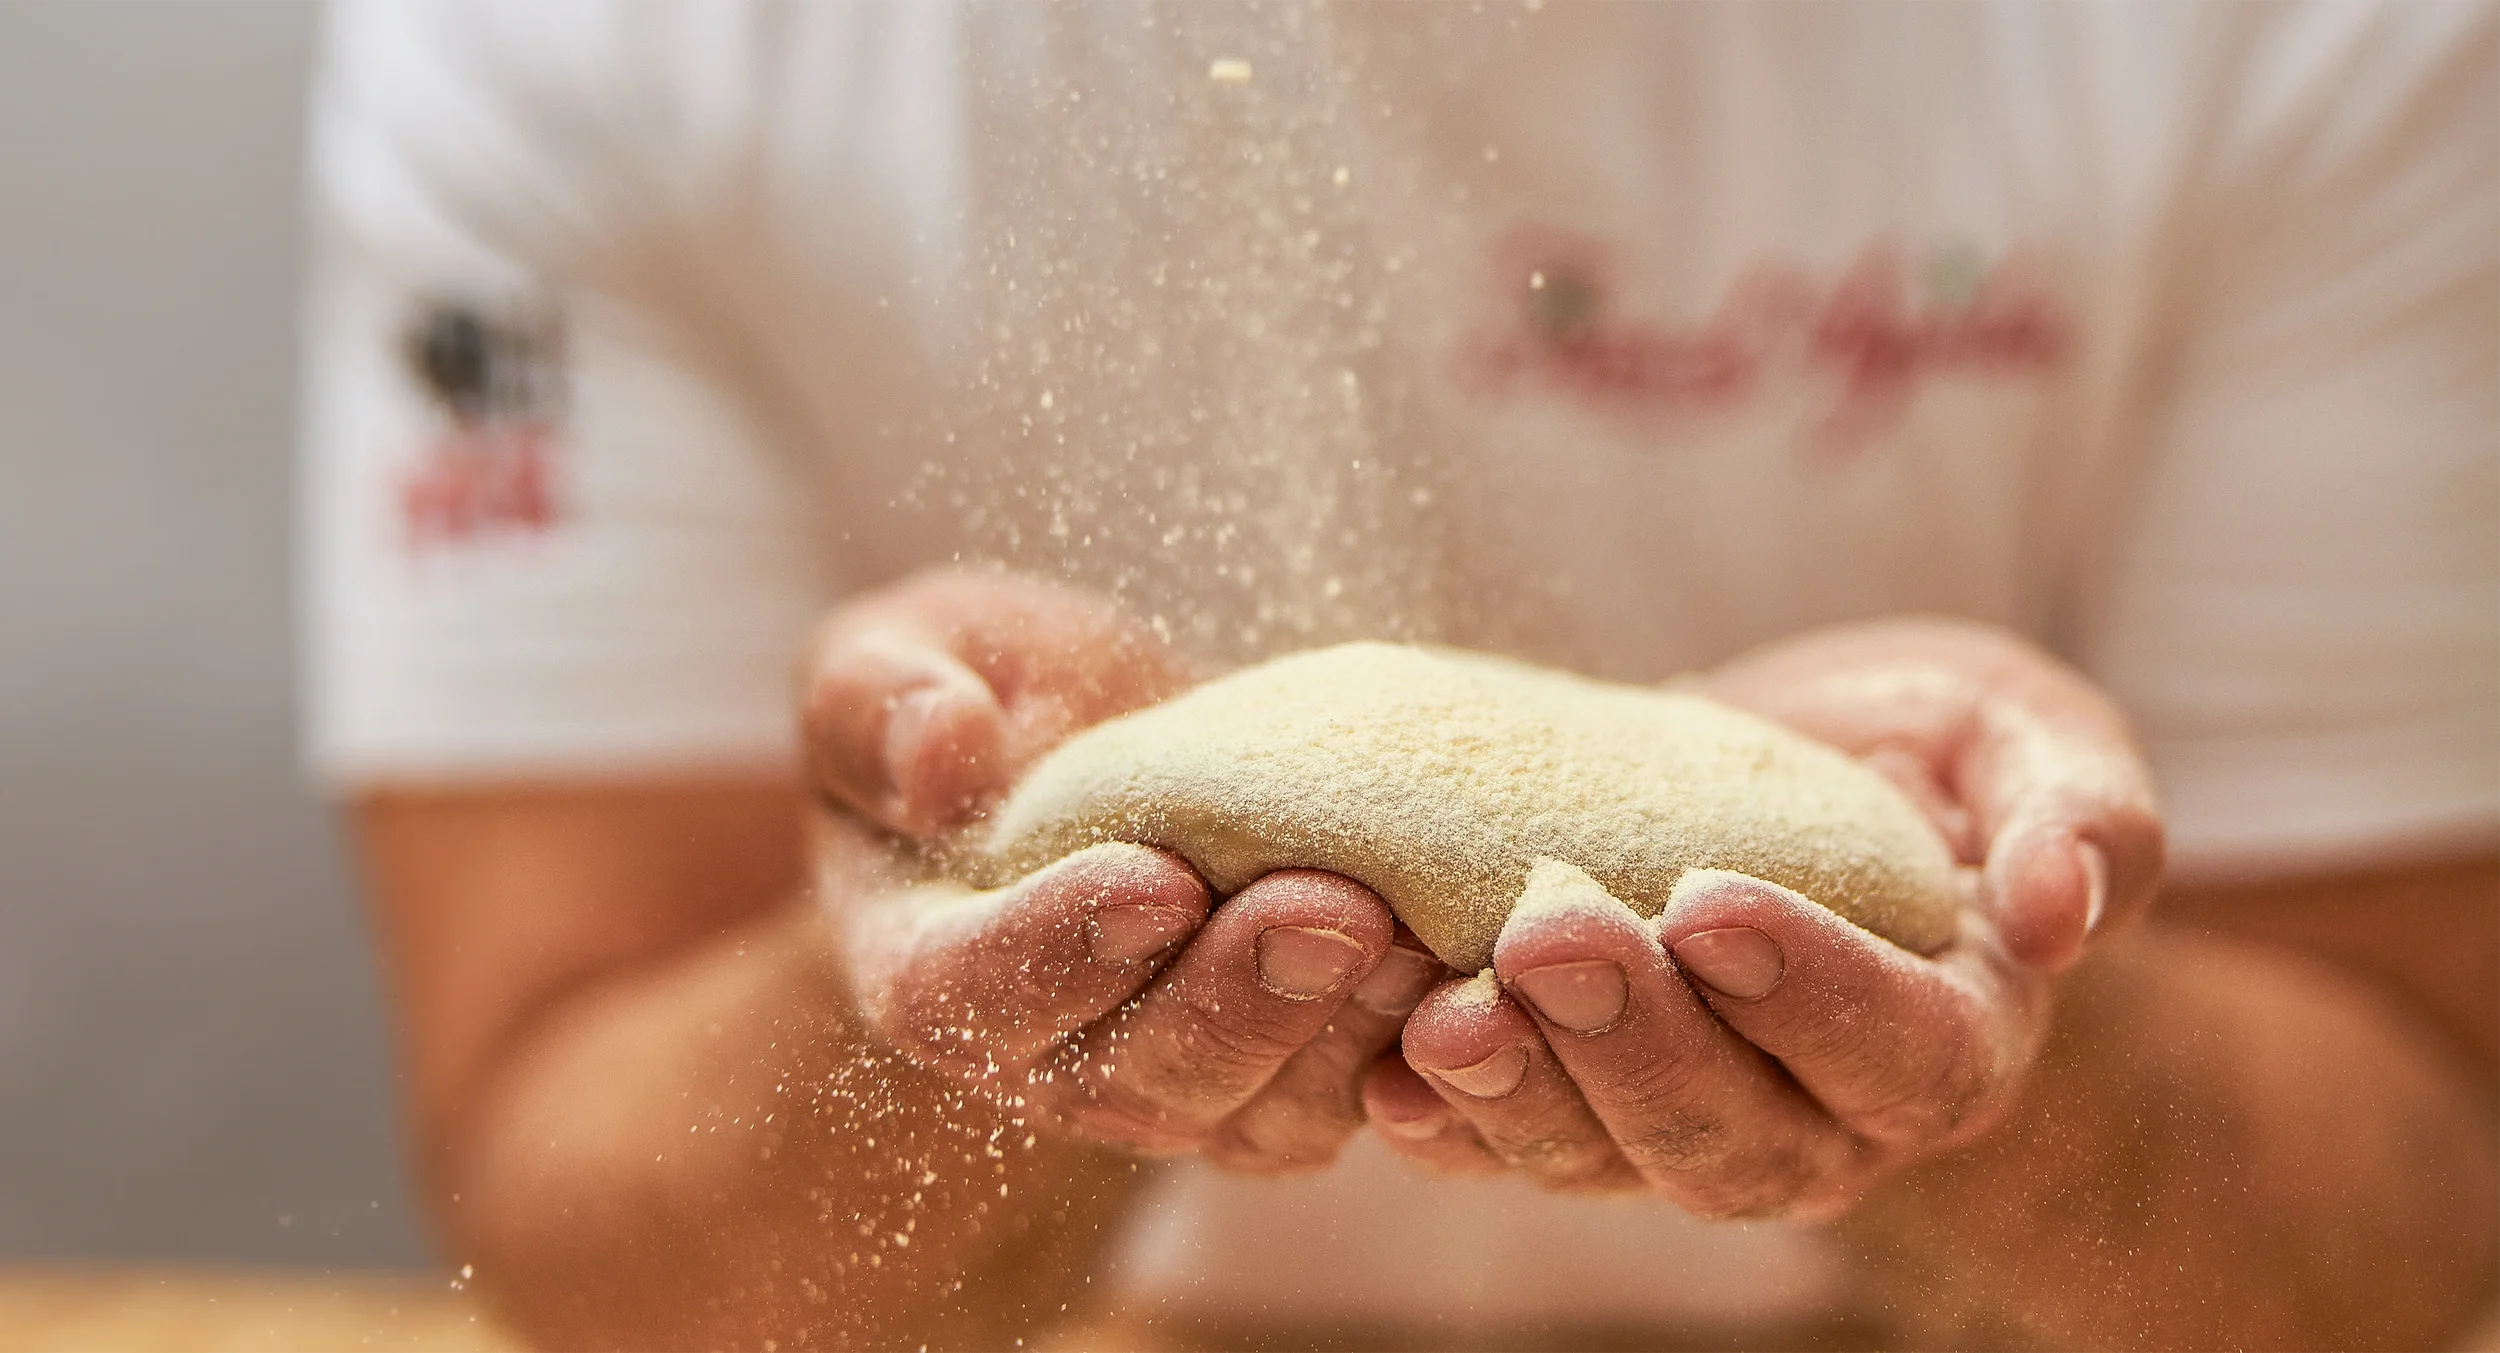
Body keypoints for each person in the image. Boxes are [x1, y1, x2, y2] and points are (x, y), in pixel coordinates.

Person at [306, 2, 2500, 1349]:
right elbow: (599, 1262)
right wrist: (952, 980)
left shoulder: (2304, 33)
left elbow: (2397, 1234)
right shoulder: (593, 35)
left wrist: (1969, 999)